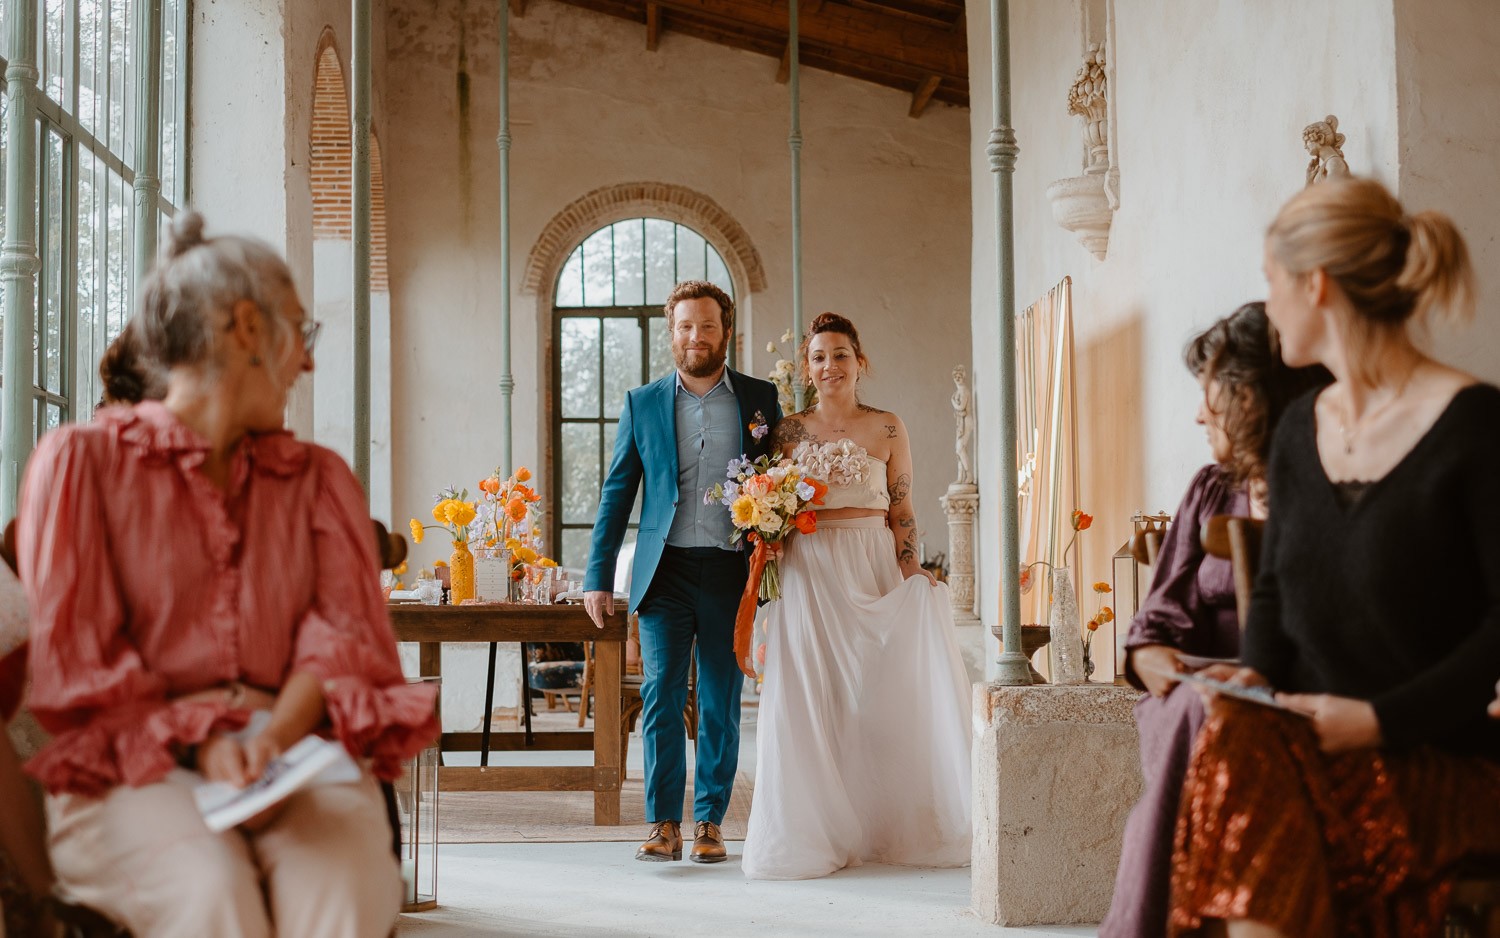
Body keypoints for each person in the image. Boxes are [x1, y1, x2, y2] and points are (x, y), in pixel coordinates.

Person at [18, 211, 438, 938]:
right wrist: (202, 741)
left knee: (344, 888)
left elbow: (341, 636)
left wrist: (271, 739)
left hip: (289, 748)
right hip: (131, 758)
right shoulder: (81, 462)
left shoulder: (319, 478)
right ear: (247, 328)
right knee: (213, 897)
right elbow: (84, 669)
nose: (306, 362)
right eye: (299, 333)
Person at [1170, 178, 1500, 937]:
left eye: (1270, 281)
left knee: (1257, 791)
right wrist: (1253, 673)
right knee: (1241, 738)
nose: (1268, 302)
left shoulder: (1475, 425)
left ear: (1314, 285)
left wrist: (1380, 721)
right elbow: (1279, 590)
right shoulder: (1297, 432)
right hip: (1308, 748)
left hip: (1438, 755)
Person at [1099, 303, 1328, 938]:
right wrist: (1150, 659)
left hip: (1291, 687)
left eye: (1213, 394)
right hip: (1194, 682)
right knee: (1200, 706)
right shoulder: (1209, 489)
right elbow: (1155, 617)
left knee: (1216, 713)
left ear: (1257, 398)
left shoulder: (1328, 489)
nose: (1200, 413)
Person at [740, 312, 970, 880]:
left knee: (876, 693)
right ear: (806, 368)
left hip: (869, 559)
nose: (829, 366)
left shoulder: (888, 427)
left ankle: (880, 824)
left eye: (840, 354)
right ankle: (815, 829)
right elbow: (771, 500)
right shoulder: (787, 431)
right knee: (811, 693)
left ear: (859, 363)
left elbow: (903, 509)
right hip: (808, 566)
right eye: (818, 357)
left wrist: (912, 568)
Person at [584, 280, 781, 864]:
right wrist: (598, 577)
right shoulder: (642, 403)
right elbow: (617, 493)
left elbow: (779, 484)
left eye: (708, 325)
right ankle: (663, 821)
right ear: (672, 333)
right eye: (686, 326)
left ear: (727, 332)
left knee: (722, 699)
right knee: (661, 695)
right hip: (662, 571)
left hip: (730, 571)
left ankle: (710, 823)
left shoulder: (760, 399)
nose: (697, 336)